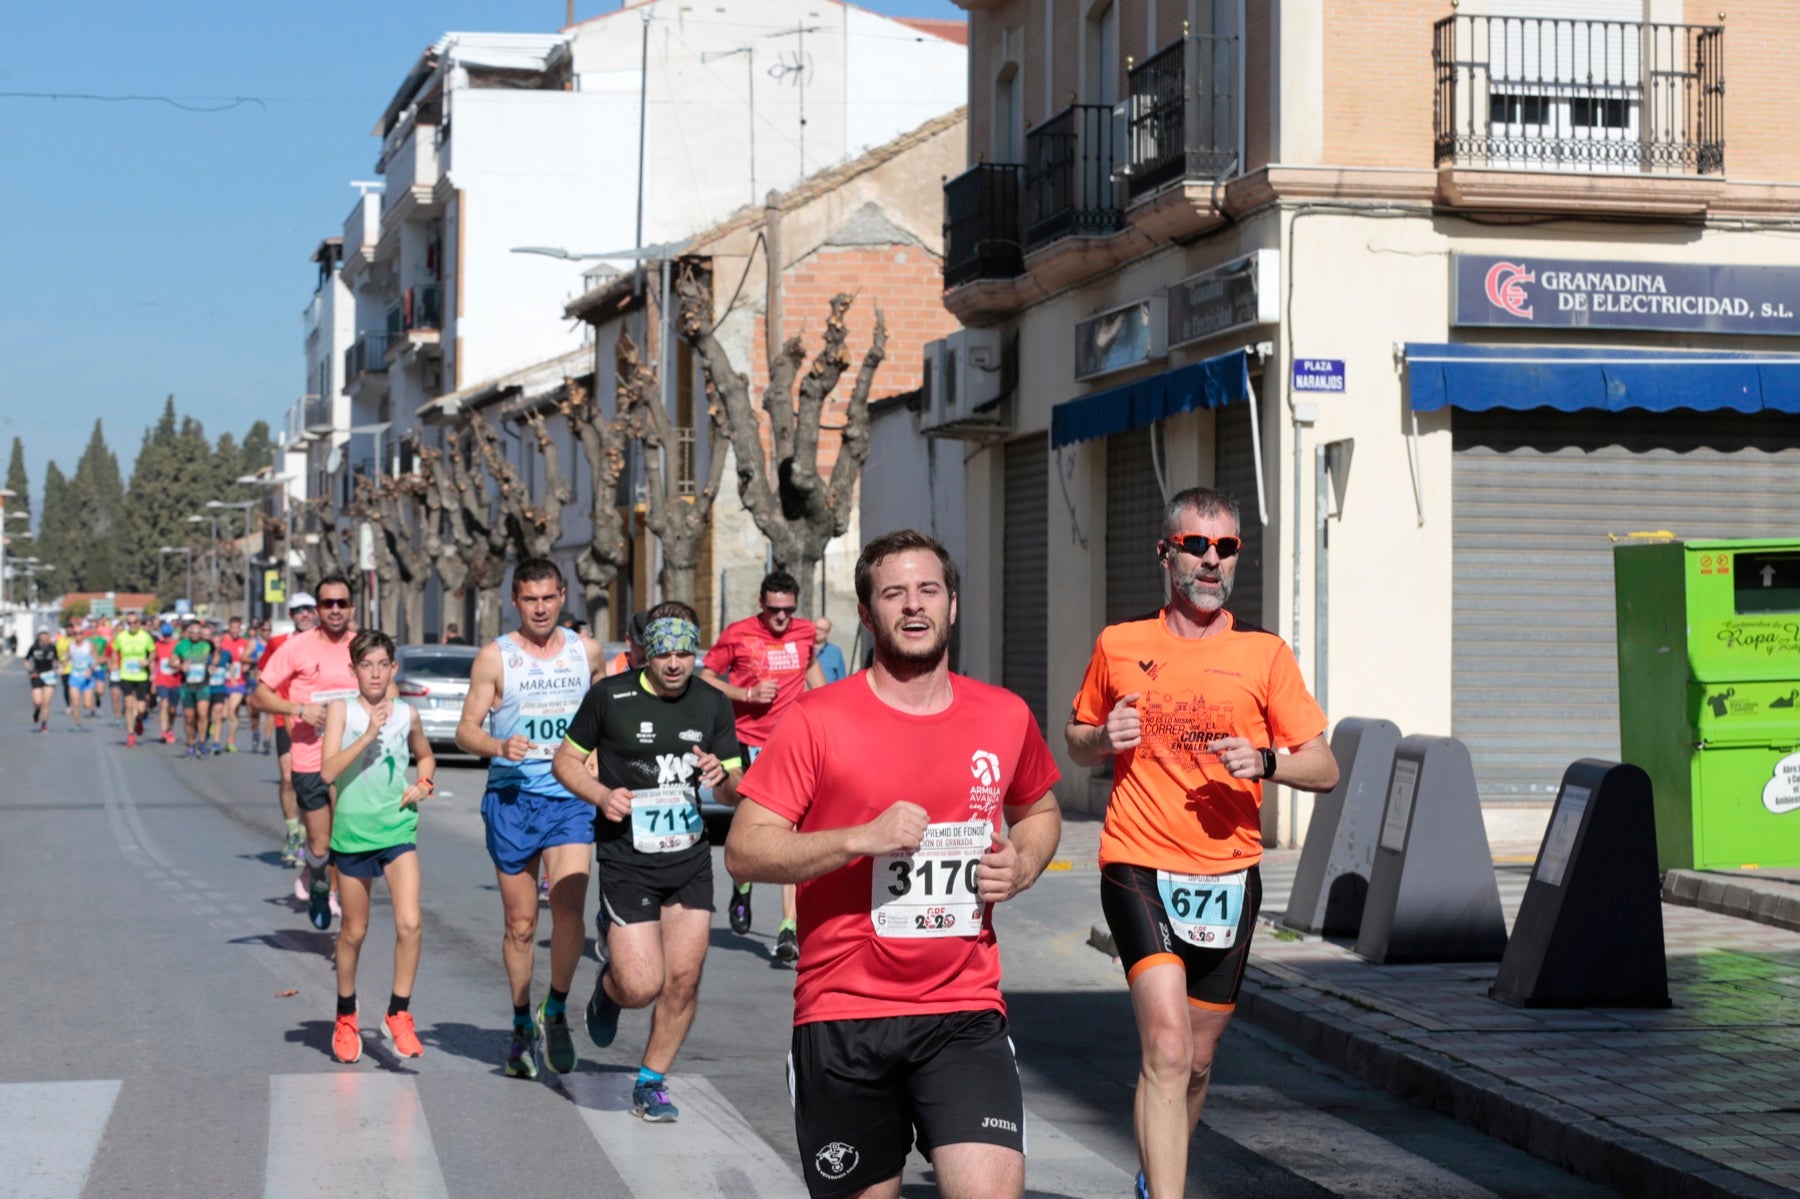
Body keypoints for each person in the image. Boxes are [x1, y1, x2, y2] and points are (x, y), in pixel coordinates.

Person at [726, 529, 1063, 1199]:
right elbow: (745, 848)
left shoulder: (1004, 714)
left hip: (963, 1008)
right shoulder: (818, 719)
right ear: (867, 612)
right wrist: (858, 838)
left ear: (952, 605)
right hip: (842, 1011)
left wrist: (1024, 862)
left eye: (928, 590)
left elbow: (1040, 809)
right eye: (894, 593)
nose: (914, 605)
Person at [1064, 487, 1338, 1199]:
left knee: (1197, 1060)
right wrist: (1102, 738)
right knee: (1165, 1043)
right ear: (1166, 553)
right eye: (1196, 545)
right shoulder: (1120, 643)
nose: (1211, 560)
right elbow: (1077, 736)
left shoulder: (1264, 654)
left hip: (1229, 876)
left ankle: (1156, 1174)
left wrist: (1267, 761)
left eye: (1226, 547)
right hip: (1138, 861)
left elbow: (1325, 765)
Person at [551, 601, 743, 1123]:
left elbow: (735, 789)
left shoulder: (712, 703)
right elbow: (565, 761)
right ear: (647, 654)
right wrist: (600, 795)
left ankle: (651, 1082)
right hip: (627, 857)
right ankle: (608, 991)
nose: (675, 663)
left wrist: (720, 777)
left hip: (689, 859)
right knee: (640, 985)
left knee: (683, 979)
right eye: (664, 653)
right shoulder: (610, 697)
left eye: (685, 653)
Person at [455, 558, 606, 1080]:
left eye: (548, 598)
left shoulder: (587, 652)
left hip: (569, 797)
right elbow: (465, 730)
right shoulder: (495, 657)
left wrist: (599, 755)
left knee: (569, 914)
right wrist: (499, 745)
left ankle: (555, 1009)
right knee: (521, 925)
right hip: (514, 797)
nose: (540, 608)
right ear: (515, 601)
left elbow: (606, 714)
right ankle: (522, 1021)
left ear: (562, 596)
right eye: (529, 599)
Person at [319, 629, 435, 1065]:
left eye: (382, 665)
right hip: (353, 833)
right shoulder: (341, 710)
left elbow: (425, 756)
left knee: (411, 924)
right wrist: (368, 734)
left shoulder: (407, 714)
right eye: (365, 665)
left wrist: (424, 783)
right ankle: (346, 1016)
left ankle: (398, 1013)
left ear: (393, 668)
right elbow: (327, 772)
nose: (374, 673)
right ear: (353, 669)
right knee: (354, 931)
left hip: (397, 829)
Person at [699, 570, 826, 960]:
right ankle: (743, 884)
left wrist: (830, 708)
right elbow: (706, 677)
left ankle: (789, 927)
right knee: (747, 820)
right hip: (745, 740)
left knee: (794, 828)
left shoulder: (805, 633)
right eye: (774, 610)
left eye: (788, 610)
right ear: (761, 603)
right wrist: (745, 693)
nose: (782, 618)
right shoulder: (738, 633)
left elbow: (810, 669)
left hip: (790, 743)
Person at [252, 576, 360, 930]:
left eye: (341, 603)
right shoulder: (296, 647)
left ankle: (340, 900)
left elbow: (385, 691)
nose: (335, 610)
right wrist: (298, 709)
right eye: (327, 603)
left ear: (351, 608)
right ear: (318, 609)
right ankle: (317, 879)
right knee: (319, 843)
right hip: (310, 759)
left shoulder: (362, 647)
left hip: (353, 760)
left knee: (347, 839)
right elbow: (259, 696)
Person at [259, 594, 319, 867]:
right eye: (298, 610)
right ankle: (293, 831)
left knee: (313, 782)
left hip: (319, 720)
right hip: (288, 718)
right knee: (287, 778)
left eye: (308, 609)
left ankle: (310, 834)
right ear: (291, 614)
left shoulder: (324, 643)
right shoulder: (277, 643)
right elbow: (264, 681)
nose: (304, 614)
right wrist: (281, 706)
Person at [110, 612, 156, 748]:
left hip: (141, 676)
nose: (132, 625)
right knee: (129, 705)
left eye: (135, 622)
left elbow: (153, 652)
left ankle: (139, 720)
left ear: (139, 623)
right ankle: (130, 735)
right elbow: (114, 651)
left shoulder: (145, 637)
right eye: (129, 623)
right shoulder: (121, 637)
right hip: (126, 675)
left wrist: (147, 661)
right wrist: (114, 663)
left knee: (141, 709)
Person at [173, 620, 214, 757]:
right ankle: (191, 742)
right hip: (187, 686)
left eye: (198, 632)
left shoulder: (207, 644)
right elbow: (171, 661)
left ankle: (202, 742)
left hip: (203, 684)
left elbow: (216, 655)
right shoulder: (181, 645)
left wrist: (213, 665)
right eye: (192, 632)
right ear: (188, 632)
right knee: (189, 717)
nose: (195, 635)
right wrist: (180, 666)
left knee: (203, 713)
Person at [212, 615, 252, 753]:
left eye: (237, 627)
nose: (235, 630)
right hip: (223, 681)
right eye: (233, 627)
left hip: (239, 682)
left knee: (232, 710)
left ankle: (230, 741)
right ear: (229, 627)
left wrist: (247, 665)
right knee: (222, 714)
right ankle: (215, 724)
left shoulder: (244, 642)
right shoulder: (222, 641)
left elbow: (248, 658)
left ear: (240, 629)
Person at [152, 620, 181, 744]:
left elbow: (184, 660)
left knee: (173, 709)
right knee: (164, 704)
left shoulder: (178, 645)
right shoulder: (157, 645)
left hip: (175, 681)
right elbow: (153, 660)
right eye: (165, 636)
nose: (167, 638)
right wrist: (153, 677)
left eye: (168, 635)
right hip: (162, 681)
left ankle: (170, 728)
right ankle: (163, 731)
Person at [27, 629, 58, 733]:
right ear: (39, 638)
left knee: (46, 702)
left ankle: (44, 724)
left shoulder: (52, 647)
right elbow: (26, 660)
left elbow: (56, 660)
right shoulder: (34, 648)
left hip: (49, 675)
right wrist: (30, 670)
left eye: (47, 638)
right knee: (37, 701)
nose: (45, 640)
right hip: (37, 676)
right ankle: (37, 711)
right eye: (43, 638)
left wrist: (57, 666)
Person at [66, 630, 97, 731]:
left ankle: (92, 705)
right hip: (75, 676)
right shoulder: (71, 646)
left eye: (80, 633)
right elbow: (68, 658)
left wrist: (90, 669)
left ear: (83, 634)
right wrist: (63, 664)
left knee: (87, 705)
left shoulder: (89, 645)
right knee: (75, 702)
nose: (78, 635)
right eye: (75, 633)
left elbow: (96, 660)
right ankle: (77, 724)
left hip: (87, 677)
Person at [605, 610, 650, 678]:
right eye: (642, 646)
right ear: (628, 640)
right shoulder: (611, 674)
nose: (647, 652)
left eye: (652, 646)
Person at [813, 616, 848, 685]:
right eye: (816, 628)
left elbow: (842, 679)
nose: (817, 631)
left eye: (821, 629)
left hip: (828, 690)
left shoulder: (835, 652)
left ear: (827, 632)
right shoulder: (803, 649)